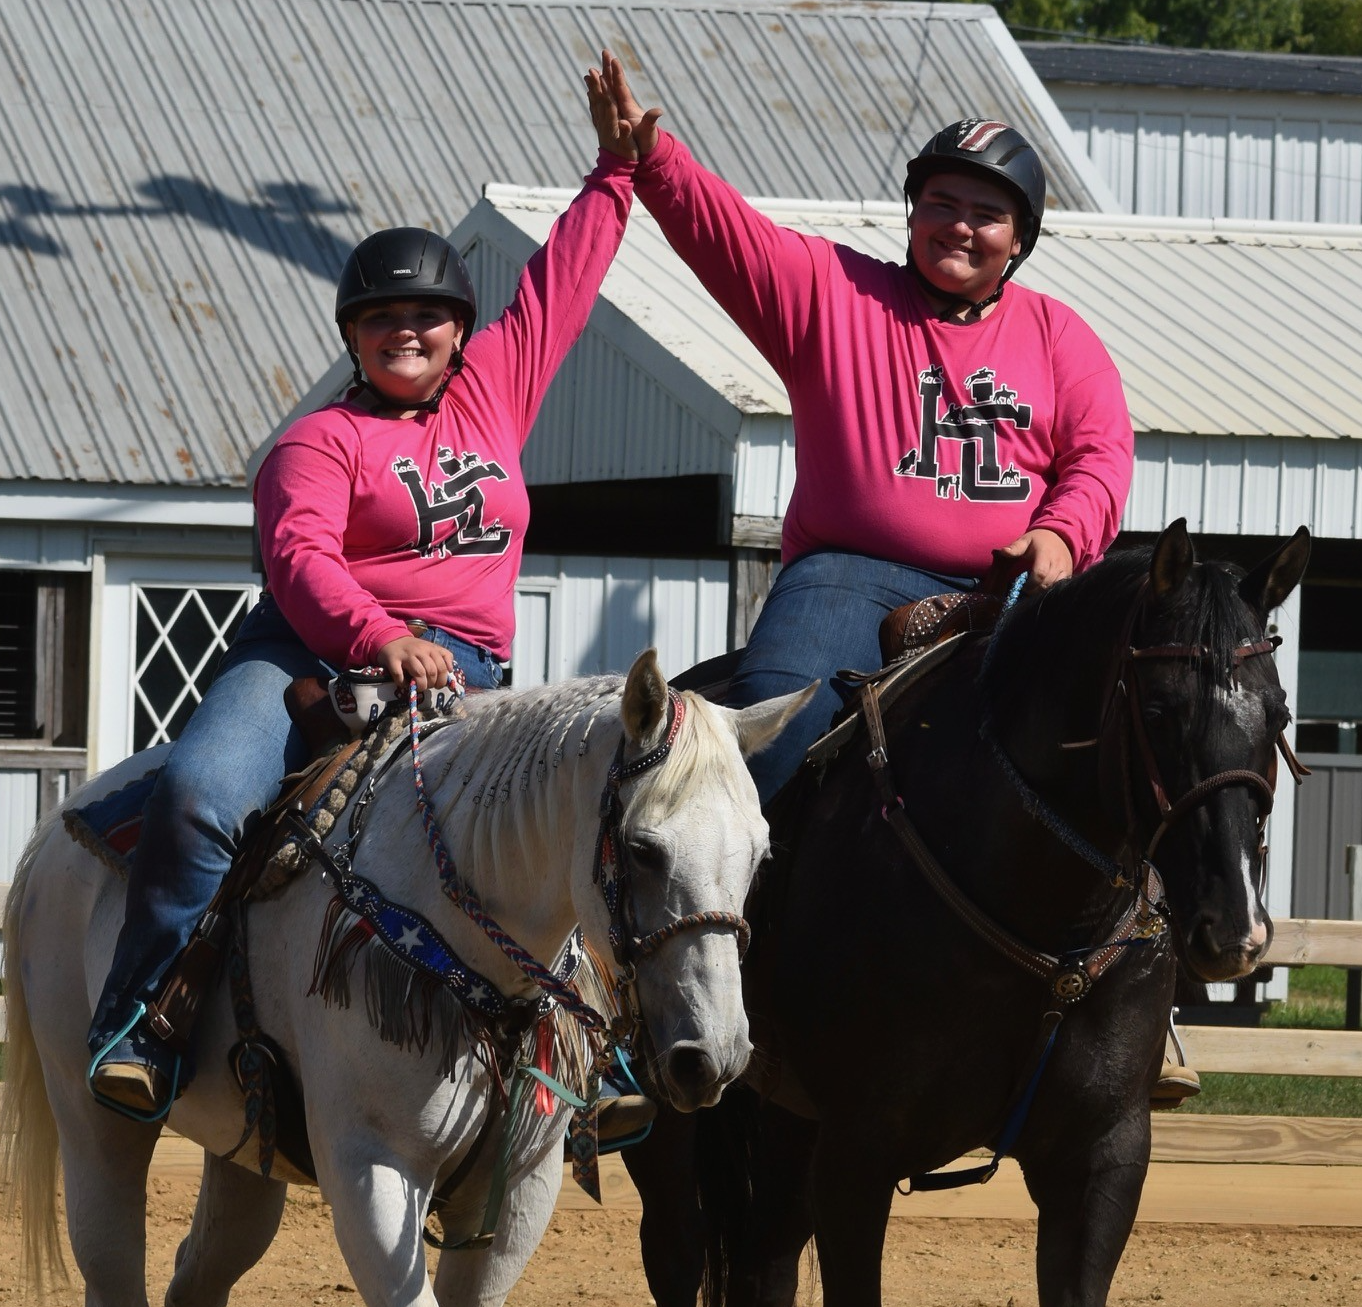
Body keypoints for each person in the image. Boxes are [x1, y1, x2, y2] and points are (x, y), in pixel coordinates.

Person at [87, 66, 647, 1118]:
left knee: (567, 819)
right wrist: (379, 634)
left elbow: (561, 284)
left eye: (428, 314)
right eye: (381, 315)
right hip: (305, 652)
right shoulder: (316, 440)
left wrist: (617, 171)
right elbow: (299, 558)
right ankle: (143, 1020)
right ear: (352, 332)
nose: (406, 329)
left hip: (465, 671)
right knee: (201, 792)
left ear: (459, 329)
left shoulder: (494, 395)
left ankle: (588, 1053)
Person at [592, 53, 1135, 803]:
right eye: (942, 204)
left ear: (1020, 240)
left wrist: (1063, 536)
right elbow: (732, 238)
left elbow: (1101, 456)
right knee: (772, 730)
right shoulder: (835, 293)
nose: (960, 226)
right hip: (847, 578)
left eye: (987, 214)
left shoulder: (1059, 334)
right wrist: (654, 160)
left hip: (1013, 590)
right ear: (913, 213)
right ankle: (755, 882)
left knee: (1123, 743)